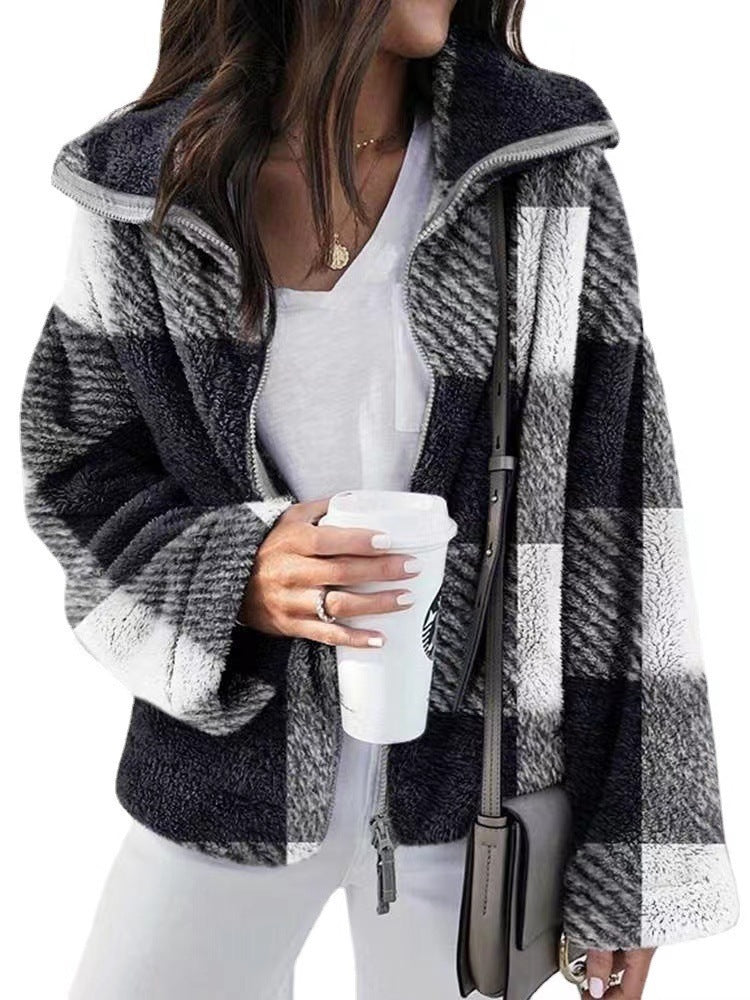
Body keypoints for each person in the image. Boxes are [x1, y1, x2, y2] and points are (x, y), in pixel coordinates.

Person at [19, 1, 740, 998]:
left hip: (481, 791)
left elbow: (624, 519)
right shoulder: (145, 189)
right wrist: (235, 572)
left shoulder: (539, 168)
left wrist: (636, 857)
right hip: (229, 772)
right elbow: (77, 465)